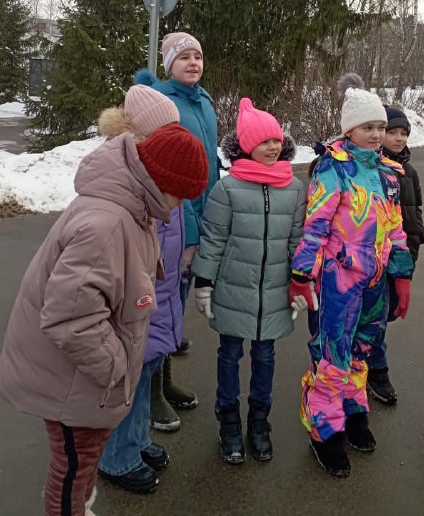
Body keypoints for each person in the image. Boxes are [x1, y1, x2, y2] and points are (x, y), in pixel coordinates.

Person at [0, 123, 209, 516]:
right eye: (179, 195)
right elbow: (68, 316)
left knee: (82, 459)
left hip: (81, 374)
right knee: (74, 465)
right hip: (76, 376)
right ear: (159, 179)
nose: (178, 206)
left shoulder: (130, 205)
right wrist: (117, 367)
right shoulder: (108, 225)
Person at [289, 73, 414, 478]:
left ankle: (353, 410)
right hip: (338, 281)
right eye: (369, 127)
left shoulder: (389, 173)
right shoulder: (333, 168)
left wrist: (402, 275)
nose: (377, 134)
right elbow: (315, 226)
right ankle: (324, 430)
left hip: (375, 281)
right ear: (349, 130)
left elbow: (395, 228)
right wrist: (301, 274)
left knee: (362, 350)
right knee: (333, 354)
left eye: (381, 127)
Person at [192, 98, 306, 464]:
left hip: (273, 293)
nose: (272, 147)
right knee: (229, 355)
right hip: (232, 290)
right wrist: (204, 283)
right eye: (264, 141)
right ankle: (228, 421)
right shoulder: (227, 190)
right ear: (246, 147)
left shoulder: (294, 188)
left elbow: (297, 242)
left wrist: (302, 285)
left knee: (265, 356)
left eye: (276, 140)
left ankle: (259, 422)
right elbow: (212, 240)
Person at [94, 87, 188, 494]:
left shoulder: (161, 166)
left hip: (160, 289)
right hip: (139, 291)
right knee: (128, 382)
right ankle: (116, 458)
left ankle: (137, 442)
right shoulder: (133, 173)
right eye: (165, 129)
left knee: (147, 372)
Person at [135, 32, 220, 431]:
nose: (193, 63)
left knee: (176, 306)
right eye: (183, 57)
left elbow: (211, 167)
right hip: (173, 221)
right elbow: (164, 175)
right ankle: (148, 394)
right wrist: (185, 233)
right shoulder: (163, 104)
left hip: (203, 216)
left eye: (198, 56)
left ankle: (164, 381)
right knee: (160, 306)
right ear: (168, 64)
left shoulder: (203, 101)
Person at [366, 105, 424, 405]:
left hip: (401, 256)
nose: (399, 138)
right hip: (376, 258)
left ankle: (369, 363)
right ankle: (376, 370)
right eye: (392, 132)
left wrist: (414, 248)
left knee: (384, 318)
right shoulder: (374, 168)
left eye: (404, 133)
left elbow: (414, 212)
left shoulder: (409, 171)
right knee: (375, 320)